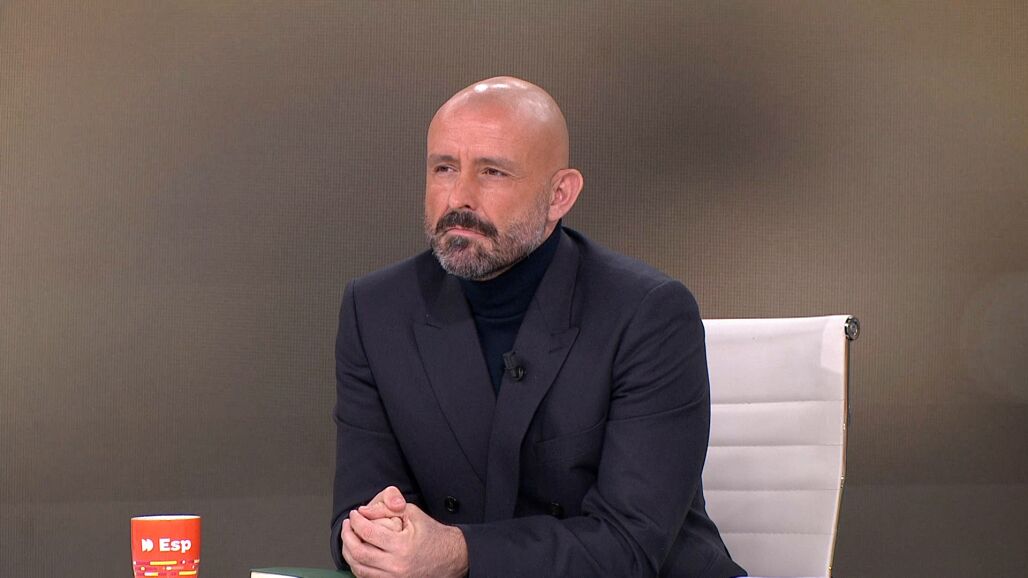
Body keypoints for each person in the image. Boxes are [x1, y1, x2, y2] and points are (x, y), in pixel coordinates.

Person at [331, 76, 746, 578]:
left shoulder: (648, 314)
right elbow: (361, 505)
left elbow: (628, 544)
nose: (459, 197)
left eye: (492, 172)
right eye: (444, 168)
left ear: (559, 195)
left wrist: (458, 552)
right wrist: (375, 538)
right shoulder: (375, 309)